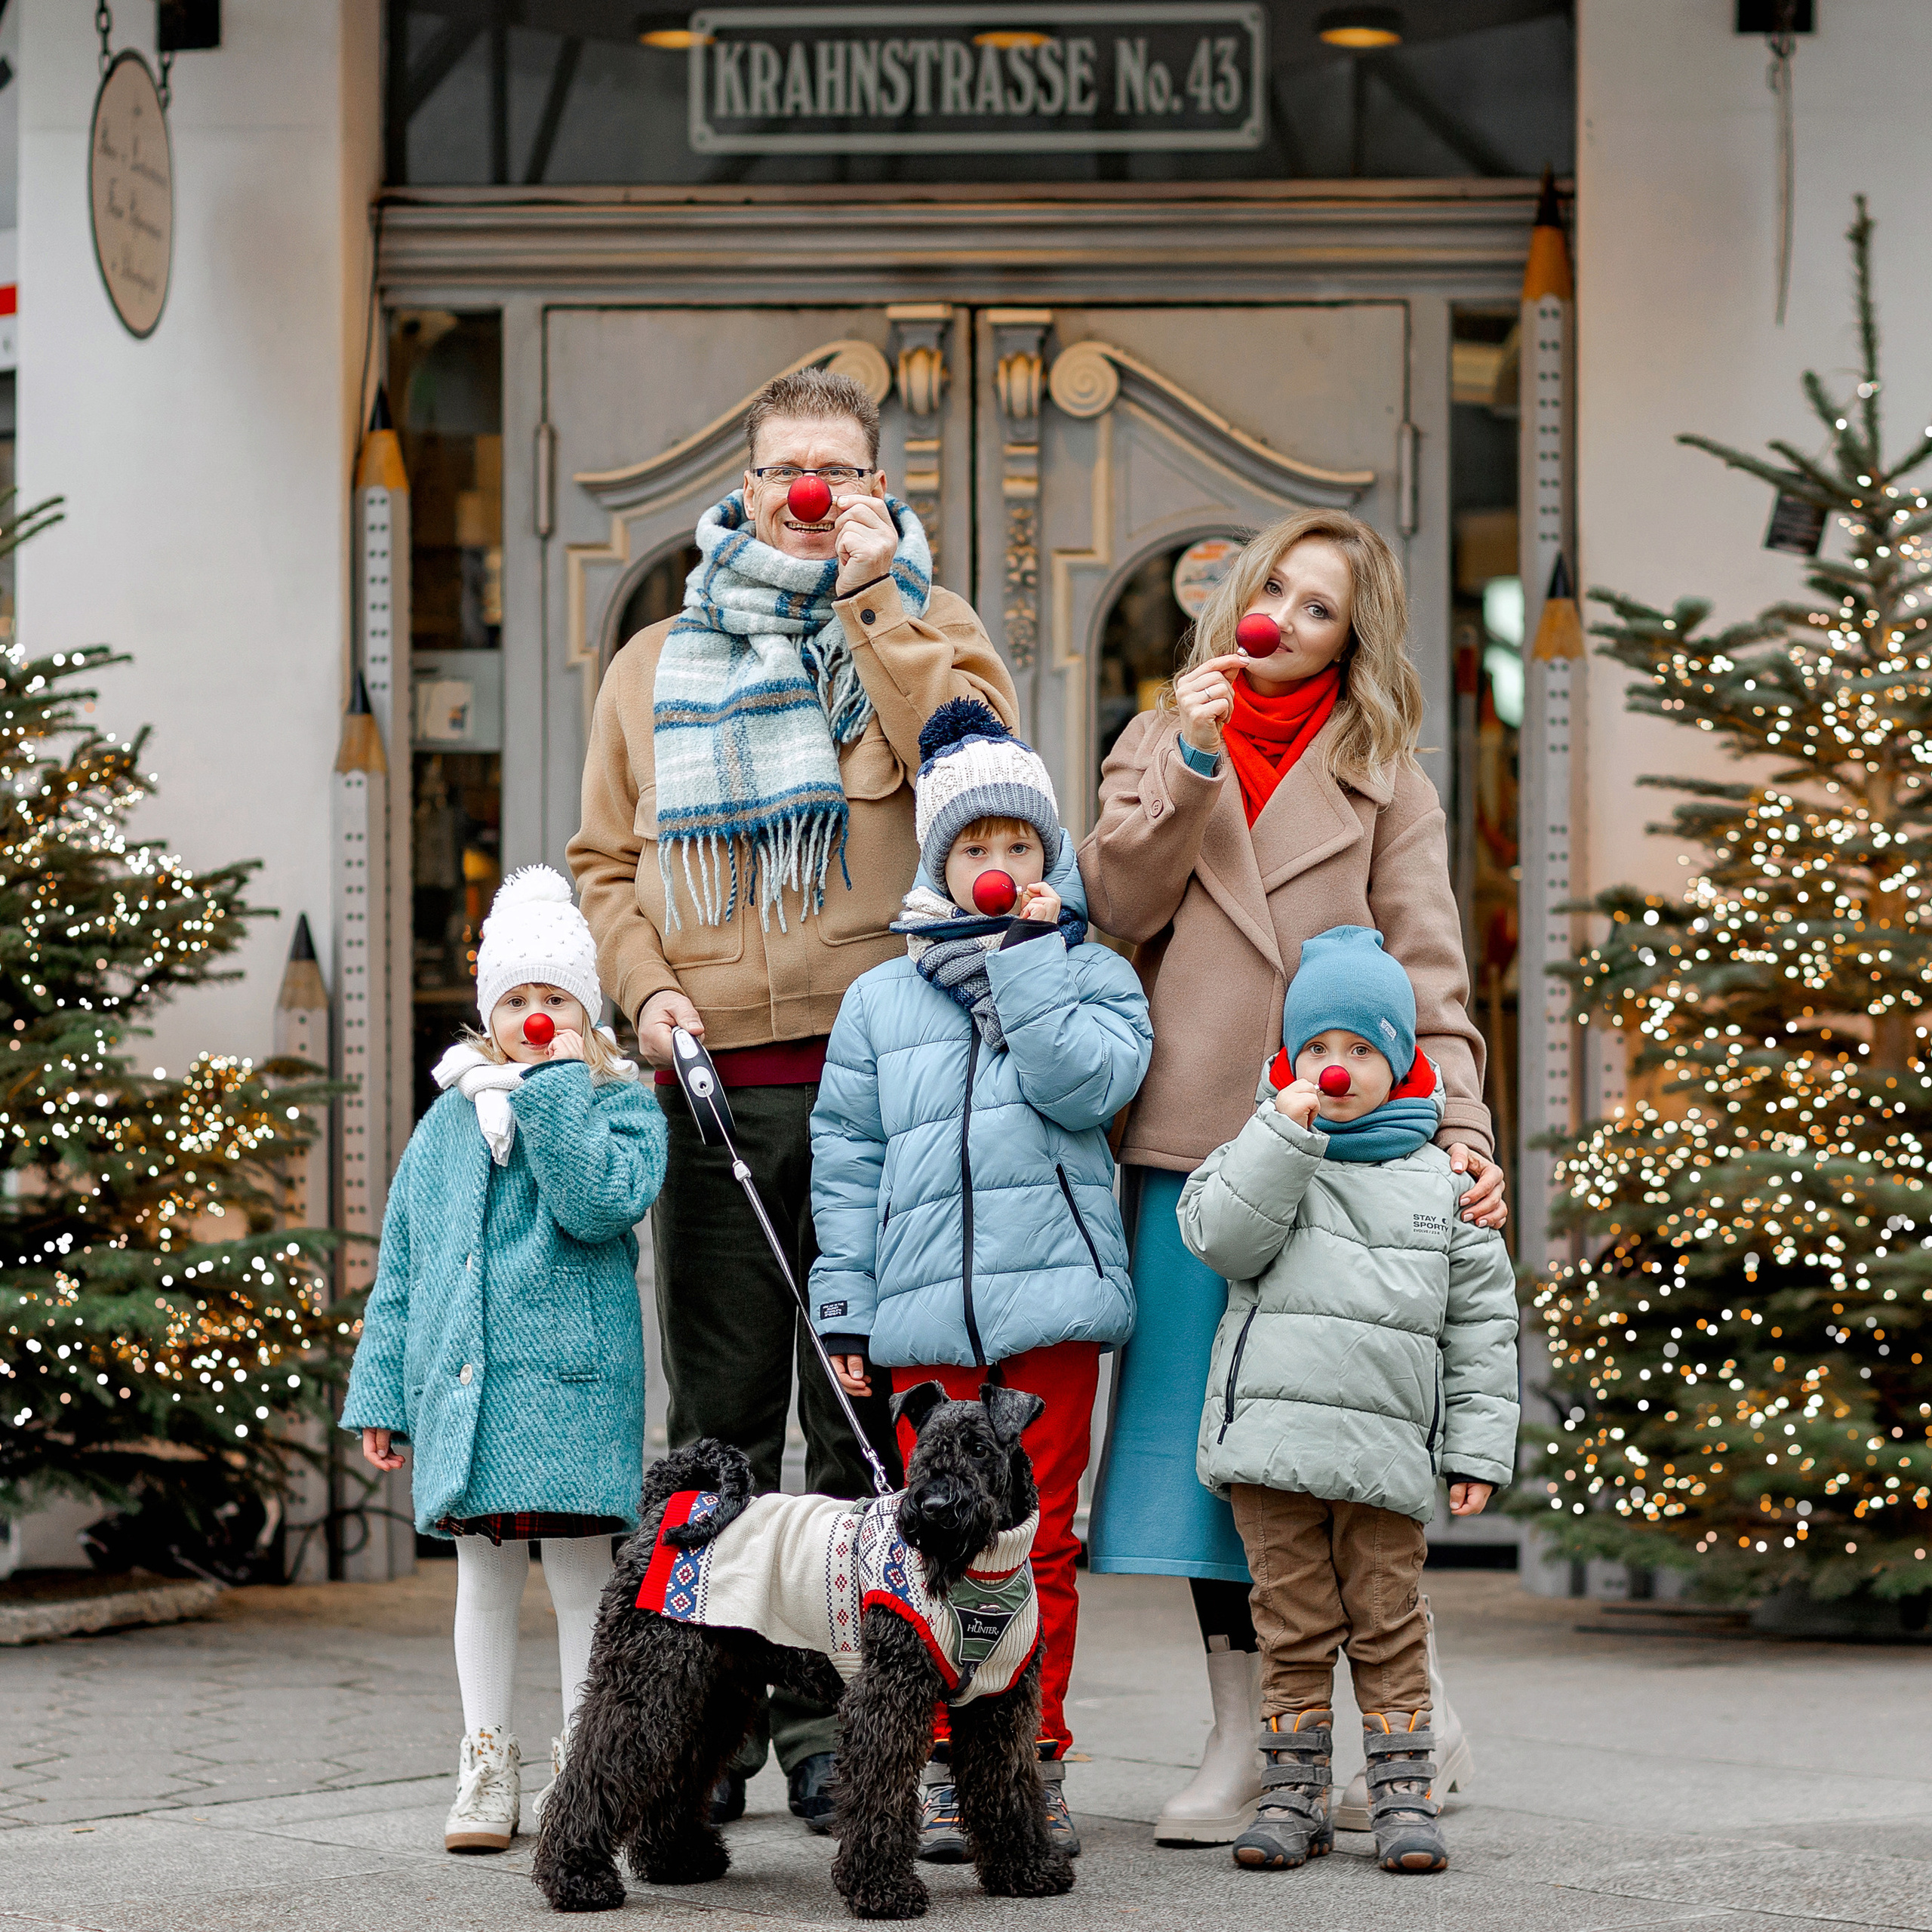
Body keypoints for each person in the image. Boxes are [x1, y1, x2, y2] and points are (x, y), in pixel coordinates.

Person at [568, 365, 1019, 1828]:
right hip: (715, 1090)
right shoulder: (651, 664)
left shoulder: (927, 627)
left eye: (836, 468)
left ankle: (842, 1724)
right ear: (745, 487)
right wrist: (648, 994)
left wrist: (876, 603)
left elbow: (977, 767)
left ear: (877, 487)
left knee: (857, 1420)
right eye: (783, 472)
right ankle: (701, 1733)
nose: (807, 492)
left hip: (879, 1083)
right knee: (718, 1419)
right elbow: (603, 866)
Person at [1078, 507, 1508, 1845]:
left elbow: (1433, 969)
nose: (1286, 618)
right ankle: (1244, 1743)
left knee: (1338, 1449)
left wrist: (1466, 1133)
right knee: (1212, 1467)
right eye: (1276, 589)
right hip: (1196, 1145)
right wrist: (1194, 761)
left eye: (1319, 607)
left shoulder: (1388, 772)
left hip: (1348, 1159)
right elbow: (1110, 908)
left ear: (1349, 636)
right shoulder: (1162, 734)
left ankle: (1398, 1710)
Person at [807, 698, 1152, 1860]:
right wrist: (846, 1308)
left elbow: (1082, 1092)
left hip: (1048, 1312)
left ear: (1048, 858)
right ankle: (949, 1769)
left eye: (1018, 845)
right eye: (973, 847)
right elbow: (848, 1165)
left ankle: (1034, 1762)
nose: (996, 866)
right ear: (939, 861)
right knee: (933, 1550)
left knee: (1036, 1545)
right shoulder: (878, 1000)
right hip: (924, 1326)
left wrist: (1035, 966)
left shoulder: (1094, 976)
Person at [340, 866, 667, 1855]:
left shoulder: (620, 1104)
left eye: (555, 999)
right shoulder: (447, 1122)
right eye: (516, 1000)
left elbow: (599, 1204)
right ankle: (485, 1760)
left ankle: (584, 1766)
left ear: (587, 1009)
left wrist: (561, 1087)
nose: (535, 1016)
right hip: (469, 1394)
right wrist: (381, 1391)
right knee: (480, 1583)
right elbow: (404, 1262)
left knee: (578, 1582)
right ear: (489, 1010)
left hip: (569, 1390)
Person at [1180, 924, 1518, 1874]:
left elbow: (1482, 1330)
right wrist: (1281, 1134)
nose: (1338, 1068)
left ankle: (1404, 1789)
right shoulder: (1264, 1150)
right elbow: (1220, 1238)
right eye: (1319, 1048)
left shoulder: (1445, 1185)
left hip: (1383, 1456)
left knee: (1387, 1616)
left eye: (1362, 1049)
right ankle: (1293, 1792)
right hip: (1274, 1452)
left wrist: (1477, 1449)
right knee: (1288, 1623)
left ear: (1402, 1061)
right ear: (1288, 1059)